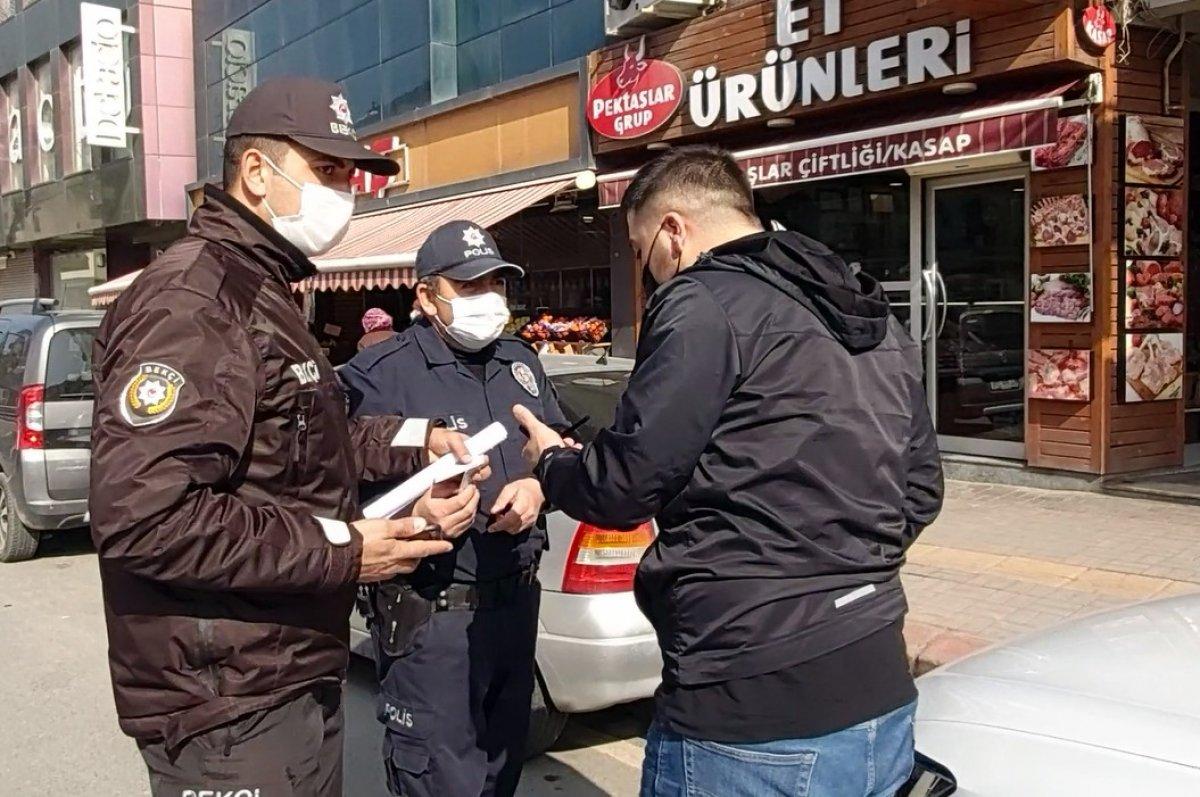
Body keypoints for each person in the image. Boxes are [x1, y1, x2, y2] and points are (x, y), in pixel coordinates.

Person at [89, 77, 486, 797]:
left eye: (350, 173)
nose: (347, 190)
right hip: (226, 702)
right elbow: (146, 517)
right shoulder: (196, 301)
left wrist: (418, 439)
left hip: (282, 673)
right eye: (326, 170)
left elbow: (305, 438)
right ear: (255, 173)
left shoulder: (264, 289)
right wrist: (345, 550)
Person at [514, 145, 944, 797]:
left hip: (747, 695)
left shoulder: (704, 303)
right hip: (877, 677)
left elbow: (626, 483)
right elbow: (920, 490)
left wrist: (551, 462)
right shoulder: (869, 312)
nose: (647, 271)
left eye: (640, 251)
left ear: (674, 230)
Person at [339, 220, 569, 797]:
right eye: (468, 287)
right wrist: (418, 513)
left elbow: (561, 443)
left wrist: (541, 490)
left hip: (515, 606)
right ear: (426, 295)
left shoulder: (521, 361)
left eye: (495, 283)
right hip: (433, 618)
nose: (487, 299)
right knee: (441, 781)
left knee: (501, 772)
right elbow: (331, 470)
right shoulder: (379, 374)